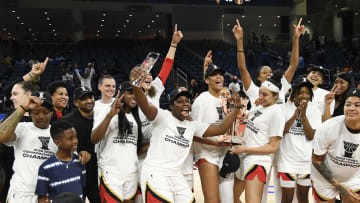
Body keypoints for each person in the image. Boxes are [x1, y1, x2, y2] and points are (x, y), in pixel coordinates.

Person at [131, 70, 243, 202]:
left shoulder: (192, 125)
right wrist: (136, 84)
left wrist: (236, 109)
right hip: (156, 173)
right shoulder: (162, 117)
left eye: (187, 101)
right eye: (179, 101)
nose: (185, 104)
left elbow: (220, 129)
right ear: (171, 106)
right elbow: (143, 104)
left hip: (176, 175)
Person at [232, 18, 303, 203]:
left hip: (279, 140)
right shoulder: (255, 91)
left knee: (281, 187)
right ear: (258, 77)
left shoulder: (280, 87)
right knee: (258, 190)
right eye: (265, 72)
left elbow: (293, 65)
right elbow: (242, 68)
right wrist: (240, 40)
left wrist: (296, 38)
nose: (269, 74)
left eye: (270, 72)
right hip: (260, 142)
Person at [230, 73, 286, 203]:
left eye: (265, 95)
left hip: (257, 161)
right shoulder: (258, 107)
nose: (260, 97)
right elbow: (248, 130)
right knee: (231, 198)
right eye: (260, 93)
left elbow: (273, 147)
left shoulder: (277, 113)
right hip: (243, 156)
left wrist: (245, 149)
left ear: (276, 95)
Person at [0, 91, 57, 203]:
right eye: (36, 113)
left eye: (45, 112)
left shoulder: (59, 133)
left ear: (51, 112)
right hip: (20, 194)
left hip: (47, 195)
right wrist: (22, 108)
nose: (41, 116)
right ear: (30, 113)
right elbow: (2, 136)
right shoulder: (21, 128)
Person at [91, 81, 144, 203]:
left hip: (131, 171)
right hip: (111, 172)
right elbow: (94, 138)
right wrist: (110, 115)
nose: (134, 96)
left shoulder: (136, 117)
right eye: (130, 93)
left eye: (136, 93)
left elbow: (136, 147)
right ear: (121, 94)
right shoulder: (106, 110)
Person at [277, 78, 322, 203]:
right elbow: (281, 132)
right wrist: (295, 115)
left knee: (303, 198)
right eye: (301, 92)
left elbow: (310, 135)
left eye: (307, 93)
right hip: (287, 161)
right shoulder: (283, 109)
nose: (304, 96)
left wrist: (303, 115)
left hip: (306, 162)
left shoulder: (315, 110)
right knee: (287, 198)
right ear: (294, 93)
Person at [311, 88, 360, 203]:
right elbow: (316, 160)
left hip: (353, 177)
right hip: (324, 178)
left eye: (357, 105)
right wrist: (338, 185)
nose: (351, 108)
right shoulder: (328, 127)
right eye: (348, 104)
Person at [60, 86, 100, 202]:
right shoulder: (66, 121)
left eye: (90, 97)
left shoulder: (99, 117)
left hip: (96, 170)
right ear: (76, 103)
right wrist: (76, 153)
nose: (88, 101)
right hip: (74, 171)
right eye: (83, 99)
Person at [35, 120, 86, 203]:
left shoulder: (80, 162)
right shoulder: (45, 168)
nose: (75, 141)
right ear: (58, 142)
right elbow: (42, 198)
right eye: (70, 138)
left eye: (75, 137)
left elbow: (83, 189)